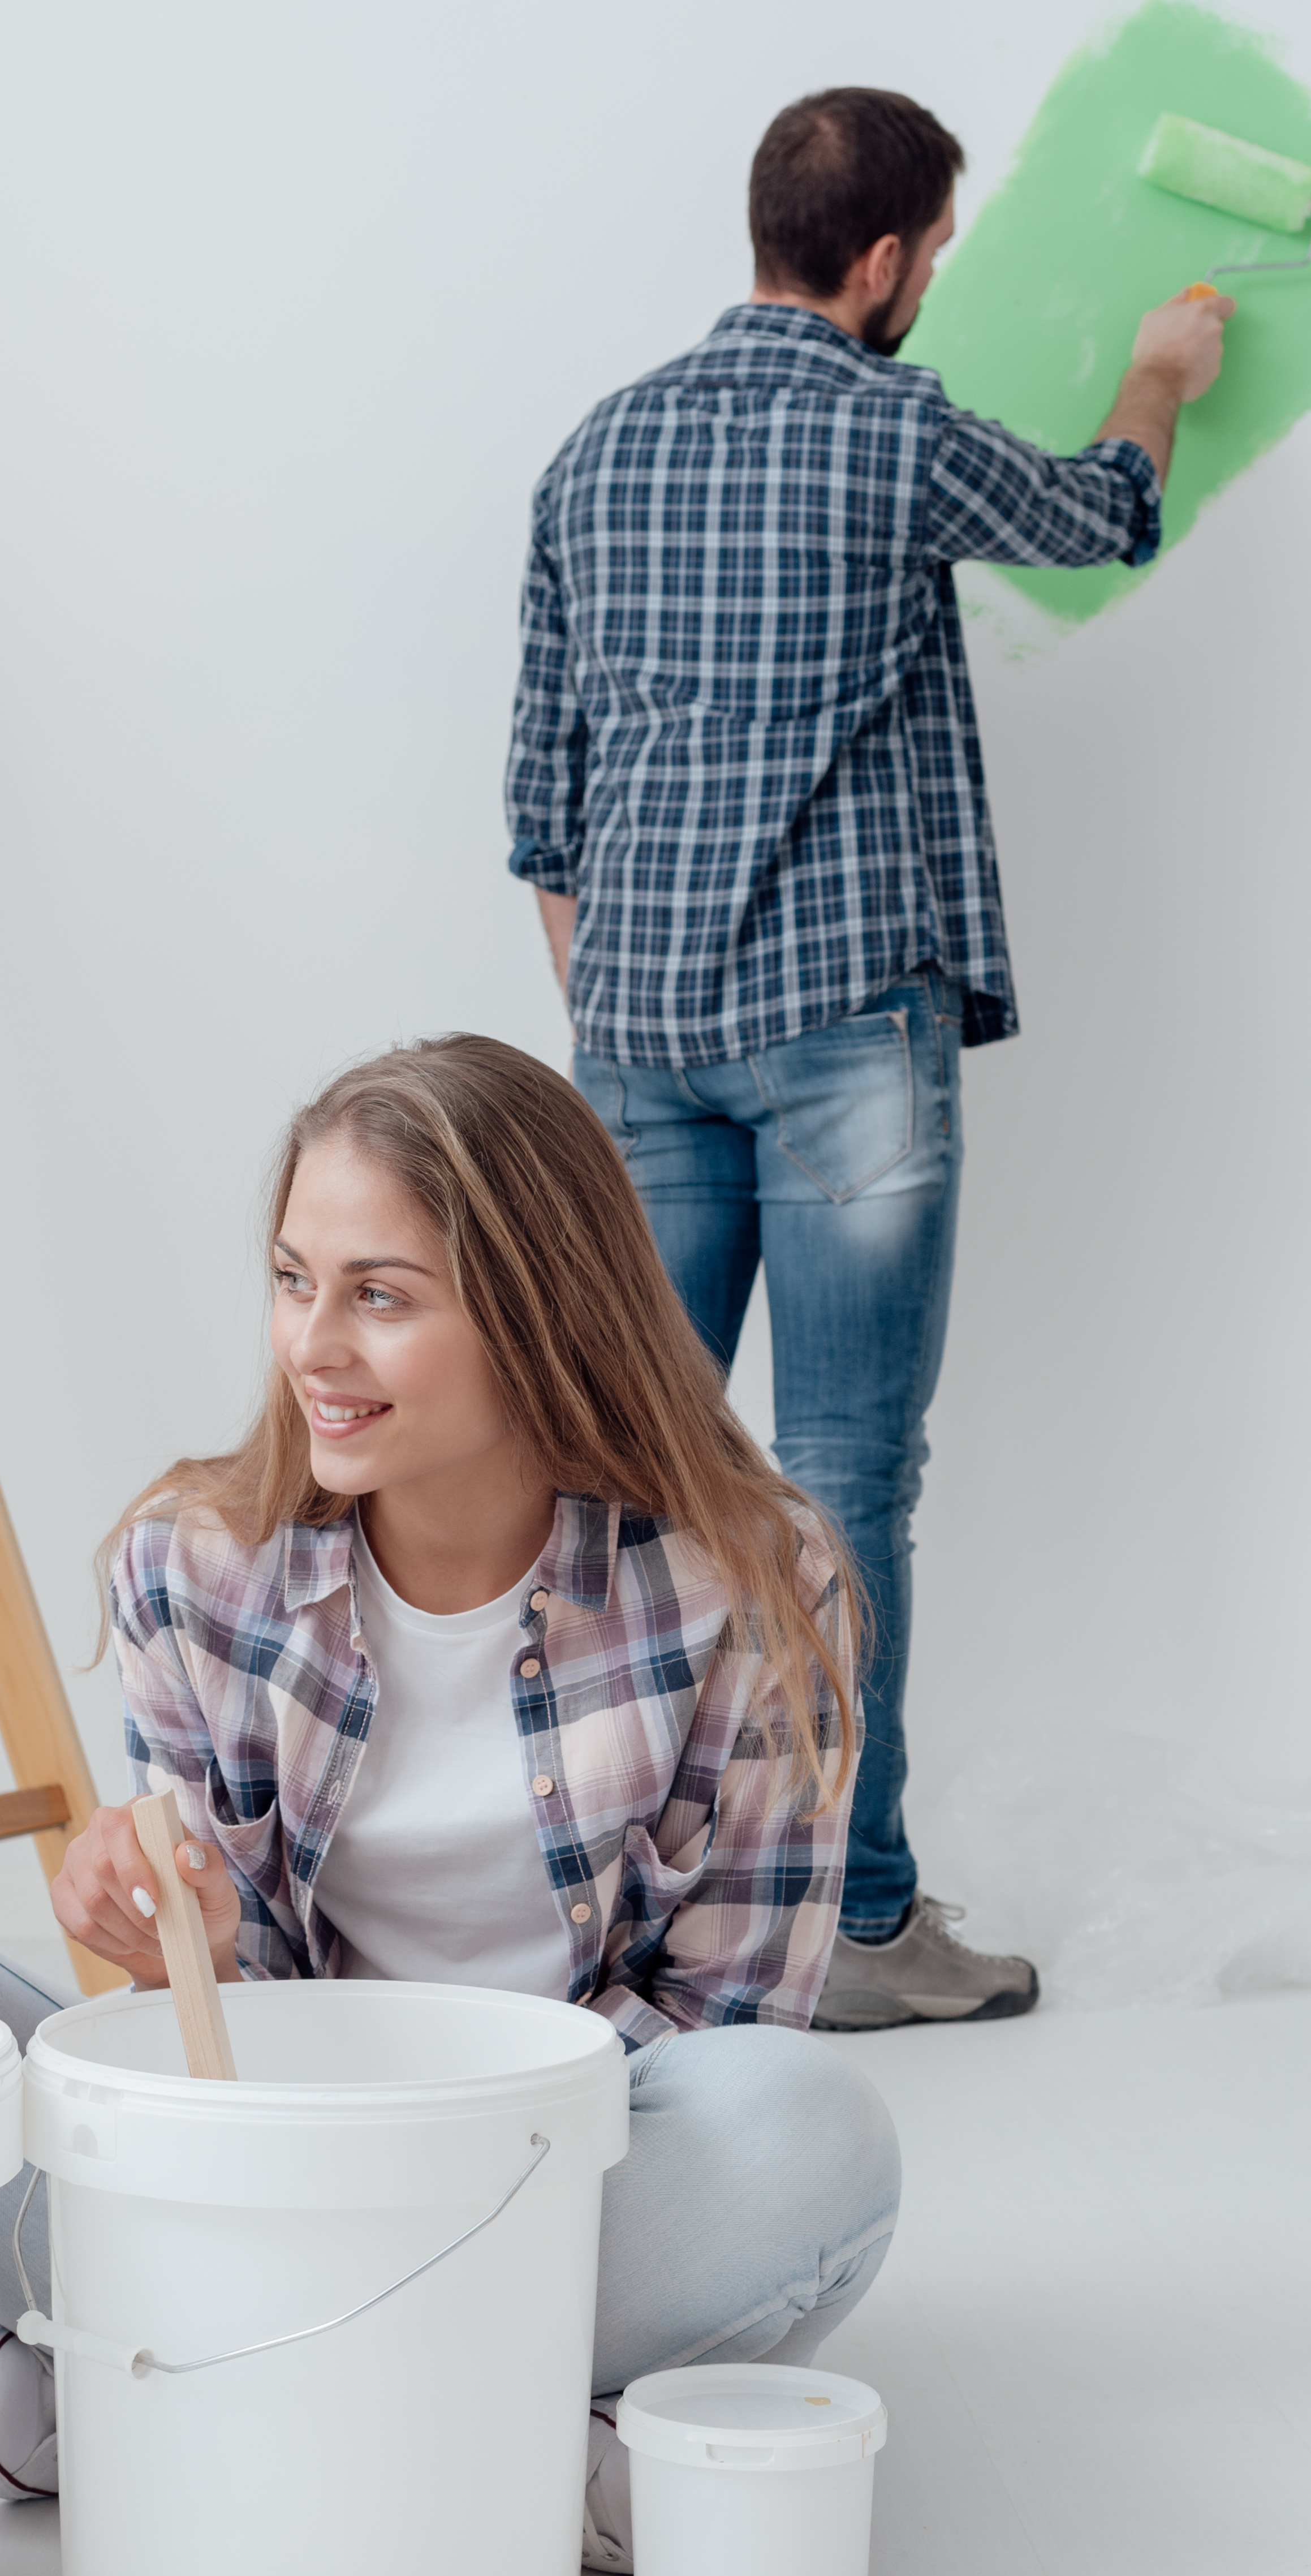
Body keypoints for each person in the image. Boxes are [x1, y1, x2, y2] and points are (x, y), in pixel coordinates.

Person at [0, 1034, 901, 2567]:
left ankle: (171, 2395)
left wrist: (404, 2159)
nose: (312, 1345)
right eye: (295, 1279)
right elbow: (220, 2037)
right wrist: (176, 1930)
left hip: (546, 2173)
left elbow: (731, 2017)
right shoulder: (194, 1565)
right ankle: (484, 2443)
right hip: (261, 2168)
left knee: (808, 2134)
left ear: (538, 1312)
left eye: (382, 1295)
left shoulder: (744, 1584)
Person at [504, 87, 1234, 2029]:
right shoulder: (891, 429)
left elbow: (542, 813)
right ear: (894, 258)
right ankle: (854, 1926)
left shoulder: (596, 454)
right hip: (845, 1038)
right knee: (836, 1490)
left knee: (611, 1490)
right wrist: (1161, 373)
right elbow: (1108, 517)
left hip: (634, 1043)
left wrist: (618, 1025)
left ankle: (587, 1922)